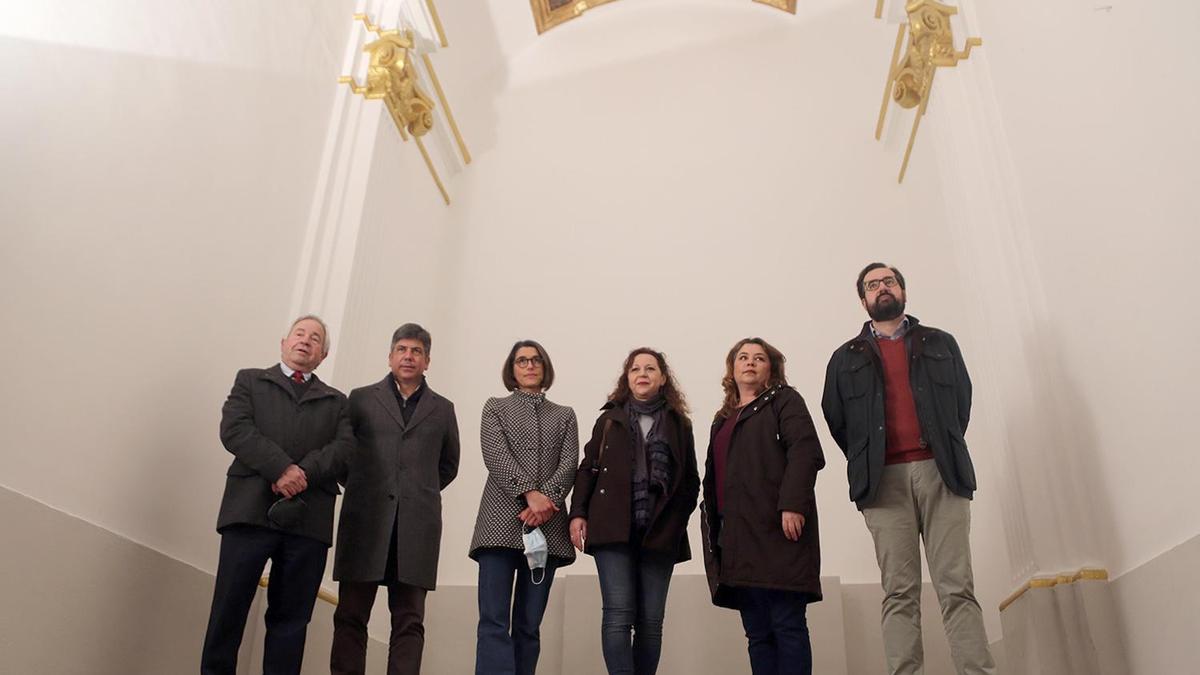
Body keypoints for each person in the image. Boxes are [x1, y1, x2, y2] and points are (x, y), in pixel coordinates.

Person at [821, 263, 996, 675]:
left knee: (957, 587)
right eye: (872, 284)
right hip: (883, 484)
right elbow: (837, 420)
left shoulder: (940, 342)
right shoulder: (844, 359)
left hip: (942, 474)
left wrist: (939, 446)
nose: (882, 288)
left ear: (902, 290)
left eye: (889, 281)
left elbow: (961, 406)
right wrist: (872, 456)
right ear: (862, 300)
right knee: (899, 592)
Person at [201, 315, 352, 675]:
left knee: (291, 623)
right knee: (228, 611)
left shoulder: (338, 402)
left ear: (324, 354)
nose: (305, 341)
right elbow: (235, 428)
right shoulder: (250, 380)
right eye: (299, 334)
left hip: (308, 522)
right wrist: (281, 468)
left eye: (315, 338)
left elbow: (344, 448)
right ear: (283, 342)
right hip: (248, 513)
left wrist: (303, 474)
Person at [330, 323, 461, 675]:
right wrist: (364, 488)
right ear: (390, 356)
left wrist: (414, 493)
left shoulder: (443, 409)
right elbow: (342, 456)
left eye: (416, 351)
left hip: (416, 528)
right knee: (350, 615)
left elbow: (448, 466)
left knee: (409, 621)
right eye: (402, 349)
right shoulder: (359, 399)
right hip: (364, 522)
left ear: (427, 361)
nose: (408, 356)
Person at [569, 348, 700, 675]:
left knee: (651, 621)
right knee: (617, 614)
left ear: (663, 378)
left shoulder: (678, 423)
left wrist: (676, 521)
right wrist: (578, 514)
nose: (642, 373)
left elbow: (690, 480)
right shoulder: (609, 419)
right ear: (627, 378)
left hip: (661, 530)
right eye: (635, 369)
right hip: (612, 528)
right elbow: (588, 469)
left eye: (650, 368)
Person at [700, 338, 825, 675]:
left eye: (759, 358)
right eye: (743, 357)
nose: (750, 362)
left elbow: (805, 450)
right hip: (738, 540)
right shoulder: (722, 420)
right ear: (732, 368)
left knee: (787, 625)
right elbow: (712, 482)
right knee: (757, 633)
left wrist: (793, 504)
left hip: (780, 531)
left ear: (772, 368)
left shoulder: (785, 400)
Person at [469, 340, 579, 675]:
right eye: (522, 361)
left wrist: (545, 501)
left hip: (547, 529)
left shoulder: (565, 415)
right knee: (493, 620)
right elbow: (495, 455)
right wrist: (530, 494)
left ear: (545, 368)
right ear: (512, 369)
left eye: (535, 360)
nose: (529, 366)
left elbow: (570, 463)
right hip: (498, 526)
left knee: (529, 625)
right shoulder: (495, 407)